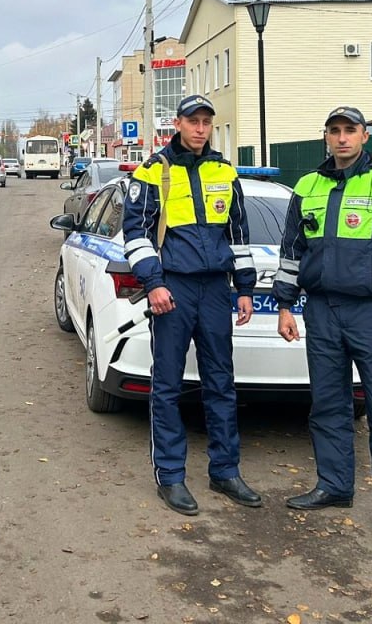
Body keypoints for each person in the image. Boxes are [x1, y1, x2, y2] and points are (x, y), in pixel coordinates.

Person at [274, 106, 372, 550]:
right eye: (334, 131)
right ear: (326, 137)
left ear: (364, 136)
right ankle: (334, 486)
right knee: (327, 406)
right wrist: (285, 306)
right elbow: (292, 253)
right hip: (321, 311)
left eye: (350, 131)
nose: (342, 139)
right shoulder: (308, 186)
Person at [121, 94, 261, 516]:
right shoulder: (153, 171)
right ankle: (171, 476)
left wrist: (245, 288)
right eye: (193, 121)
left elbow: (238, 234)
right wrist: (154, 283)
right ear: (177, 124)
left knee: (222, 382)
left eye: (206, 122)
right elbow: (136, 232)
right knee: (166, 385)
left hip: (216, 289)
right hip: (173, 290)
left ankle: (225, 470)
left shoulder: (224, 169)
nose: (200, 129)